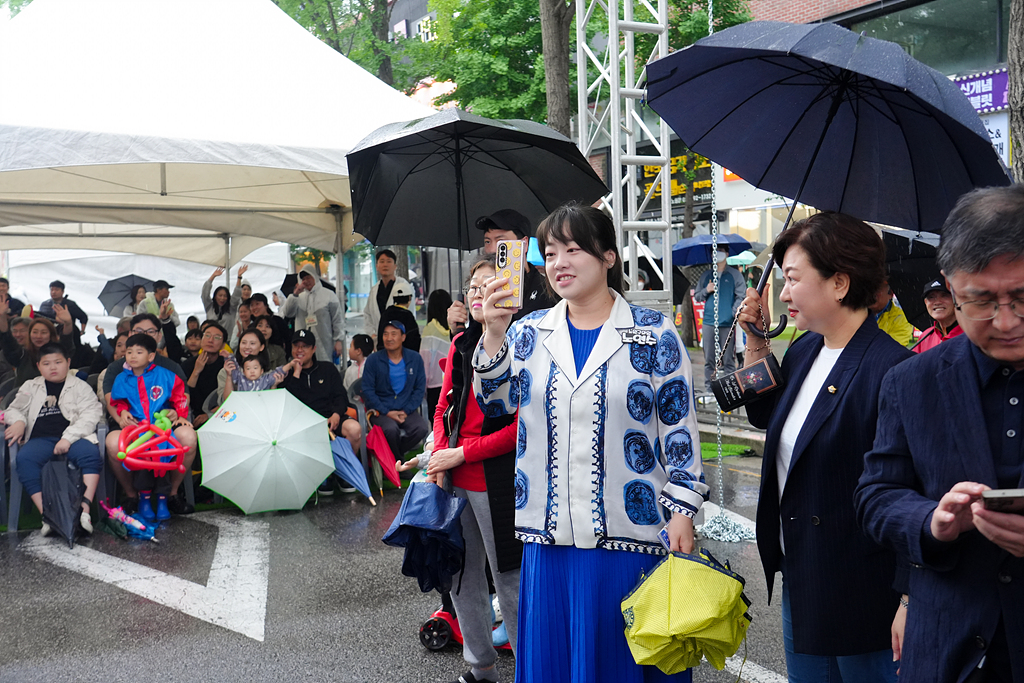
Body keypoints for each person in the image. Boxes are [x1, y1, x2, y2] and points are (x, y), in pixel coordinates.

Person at [476, 204, 706, 683]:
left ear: (608, 256)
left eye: (574, 249)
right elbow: (496, 400)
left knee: (623, 661)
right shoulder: (527, 332)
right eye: (552, 251)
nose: (560, 262)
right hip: (549, 539)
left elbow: (679, 431)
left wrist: (683, 510)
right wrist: (493, 331)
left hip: (631, 540)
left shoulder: (653, 332)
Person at [855, 185, 1024, 683]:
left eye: (1022, 297)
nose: (1008, 321)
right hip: (948, 648)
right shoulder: (911, 380)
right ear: (950, 286)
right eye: (982, 300)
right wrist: (932, 521)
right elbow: (877, 495)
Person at [736, 212, 912, 682]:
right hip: (805, 575)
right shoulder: (805, 349)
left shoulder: (893, 371)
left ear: (839, 282)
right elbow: (765, 414)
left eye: (793, 279)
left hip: (866, 593)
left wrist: (909, 599)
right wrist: (756, 338)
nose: (785, 292)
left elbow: (915, 493)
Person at [427, 255, 521, 683]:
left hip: (496, 479)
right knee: (462, 578)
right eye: (473, 287)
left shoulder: (521, 343)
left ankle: (529, 667)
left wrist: (460, 455)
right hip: (454, 477)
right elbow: (444, 405)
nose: (479, 293)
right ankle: (480, 666)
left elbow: (522, 429)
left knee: (509, 580)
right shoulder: (461, 343)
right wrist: (439, 458)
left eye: (489, 285)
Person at [4, 342, 104, 536]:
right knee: (24, 459)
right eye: (47, 363)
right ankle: (48, 515)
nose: (53, 367)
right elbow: (14, 409)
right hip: (41, 439)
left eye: (58, 362)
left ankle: (84, 510)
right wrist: (18, 421)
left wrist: (67, 438)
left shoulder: (80, 387)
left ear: (68, 362)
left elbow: (91, 414)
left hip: (74, 437)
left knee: (90, 454)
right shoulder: (31, 386)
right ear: (39, 366)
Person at [107, 332, 197, 519]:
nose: (132, 356)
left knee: (162, 463)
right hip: (137, 430)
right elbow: (118, 401)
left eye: (139, 352)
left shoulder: (166, 375)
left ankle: (164, 501)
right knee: (141, 464)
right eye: (129, 352)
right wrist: (123, 412)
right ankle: (144, 501)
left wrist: (179, 414)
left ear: (151, 356)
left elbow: (179, 397)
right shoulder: (121, 379)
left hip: (161, 431)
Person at [448, 209, 555, 334]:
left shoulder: (547, 290)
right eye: (487, 242)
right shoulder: (483, 289)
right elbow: (473, 348)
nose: (493, 249)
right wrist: (457, 330)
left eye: (501, 242)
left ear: (524, 244)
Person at [281, 330, 361, 493]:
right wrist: (296, 373)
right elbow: (288, 404)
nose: (300, 350)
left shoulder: (328, 369)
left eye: (305, 346)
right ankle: (324, 474)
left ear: (314, 349)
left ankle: (343, 472)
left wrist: (336, 414)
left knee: (355, 429)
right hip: (304, 424)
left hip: (332, 418)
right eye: (296, 346)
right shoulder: (286, 373)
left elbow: (341, 396)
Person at [361, 321, 429, 461]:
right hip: (380, 411)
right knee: (391, 430)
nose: (389, 338)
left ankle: (392, 456)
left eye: (393, 334)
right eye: (385, 334)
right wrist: (386, 411)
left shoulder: (415, 359)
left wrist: (406, 410)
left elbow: (420, 389)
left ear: (403, 337)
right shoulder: (374, 360)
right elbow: (367, 390)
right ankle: (399, 464)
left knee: (421, 428)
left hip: (406, 410)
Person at [693, 245, 746, 395]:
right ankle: (710, 391)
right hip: (709, 322)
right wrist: (707, 290)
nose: (717, 255)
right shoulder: (706, 275)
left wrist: (732, 312)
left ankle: (730, 391)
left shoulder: (735, 275)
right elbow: (697, 296)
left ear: (727, 254)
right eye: (715, 252)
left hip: (727, 323)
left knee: (729, 360)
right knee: (709, 359)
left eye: (720, 251)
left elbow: (741, 295)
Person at [0, 299, 75, 389]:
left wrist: (68, 323)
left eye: (43, 332)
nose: (38, 336)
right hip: (25, 398)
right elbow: (8, 342)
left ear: (51, 334)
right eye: (35, 332)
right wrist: (2, 317)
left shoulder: (58, 353)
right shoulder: (23, 354)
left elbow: (66, 342)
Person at [276, 264, 344, 363]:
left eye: (308, 277)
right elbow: (288, 313)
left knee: (324, 366)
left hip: (324, 342)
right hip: (302, 342)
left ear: (315, 277)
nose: (306, 281)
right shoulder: (298, 297)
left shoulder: (329, 295)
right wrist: (295, 294)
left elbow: (337, 320)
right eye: (303, 279)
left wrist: (338, 340)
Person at [182, 322, 228, 427]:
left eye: (217, 337)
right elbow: (185, 396)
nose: (210, 340)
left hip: (222, 414)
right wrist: (196, 371)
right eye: (207, 335)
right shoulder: (187, 365)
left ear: (223, 345)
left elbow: (231, 396)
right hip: (193, 416)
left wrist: (209, 414)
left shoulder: (227, 365)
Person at [364, 249, 411, 341]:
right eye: (382, 262)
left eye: (389, 261)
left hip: (399, 339)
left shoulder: (404, 287)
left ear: (395, 266)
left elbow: (410, 312)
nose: (385, 265)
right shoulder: (374, 290)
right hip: (379, 339)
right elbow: (367, 314)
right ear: (377, 266)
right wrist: (372, 334)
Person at [421, 289, 453, 418]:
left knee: (438, 425)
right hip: (453, 383)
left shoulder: (429, 330)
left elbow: (425, 362)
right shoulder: (456, 329)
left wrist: (422, 390)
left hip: (434, 387)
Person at [911, 279, 963, 354]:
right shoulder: (925, 336)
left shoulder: (971, 334)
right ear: (926, 302)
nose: (937, 302)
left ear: (956, 299)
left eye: (944, 295)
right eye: (931, 297)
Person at [222, 353, 300, 398]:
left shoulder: (266, 379)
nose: (252, 371)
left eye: (255, 368)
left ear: (261, 371)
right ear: (244, 372)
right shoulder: (240, 379)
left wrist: (290, 365)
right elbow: (233, 368)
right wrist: (228, 357)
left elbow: (279, 371)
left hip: (262, 409)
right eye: (248, 369)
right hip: (244, 409)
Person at [376, 281, 421, 352]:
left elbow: (380, 339)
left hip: (385, 356)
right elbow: (414, 341)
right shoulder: (408, 315)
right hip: (404, 358)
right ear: (409, 298)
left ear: (394, 298)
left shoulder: (385, 314)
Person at [202, 265, 246, 333]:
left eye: (225, 296)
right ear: (215, 296)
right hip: (212, 340)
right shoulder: (210, 307)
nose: (222, 298)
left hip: (227, 340)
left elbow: (236, 295)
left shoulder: (231, 307)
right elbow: (205, 293)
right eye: (220, 295)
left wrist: (239, 277)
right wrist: (213, 276)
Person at [869, 281, 915, 347]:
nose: (871, 293)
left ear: (890, 293)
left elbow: (893, 349)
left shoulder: (902, 318)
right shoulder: (855, 312)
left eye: (877, 289)